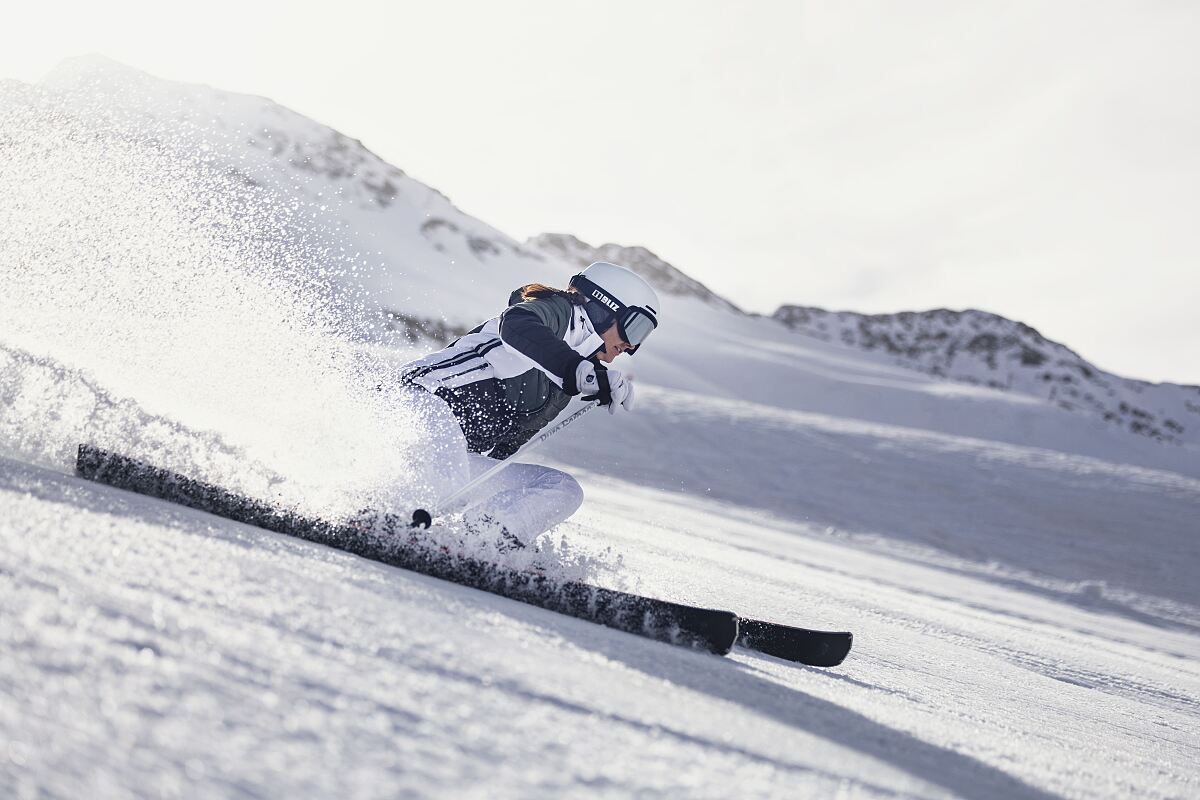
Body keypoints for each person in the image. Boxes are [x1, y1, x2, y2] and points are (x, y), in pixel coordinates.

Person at [397, 261, 660, 551]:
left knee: (562, 489)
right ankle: (387, 513)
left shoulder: (564, 384)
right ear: (605, 306)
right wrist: (577, 370)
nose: (631, 347)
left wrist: (583, 374)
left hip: (448, 455)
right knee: (448, 480)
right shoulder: (560, 313)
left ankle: (484, 542)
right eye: (635, 329)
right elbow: (518, 325)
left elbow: (505, 447)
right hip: (413, 405)